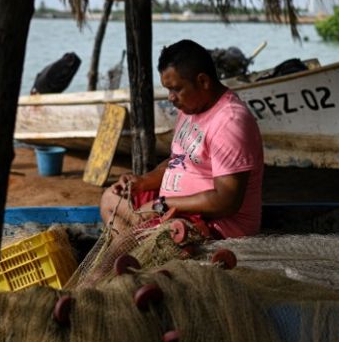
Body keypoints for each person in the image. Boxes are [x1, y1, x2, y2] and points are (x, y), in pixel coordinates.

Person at [100, 39, 264, 239]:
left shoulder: (230, 120)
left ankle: (134, 244)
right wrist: (142, 182)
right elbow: (178, 161)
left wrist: (162, 205)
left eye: (176, 89)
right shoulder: (190, 108)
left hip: (213, 224)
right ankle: (135, 242)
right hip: (172, 206)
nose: (171, 97)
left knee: (131, 244)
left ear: (203, 82)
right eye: (168, 90)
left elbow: (226, 201)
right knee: (111, 198)